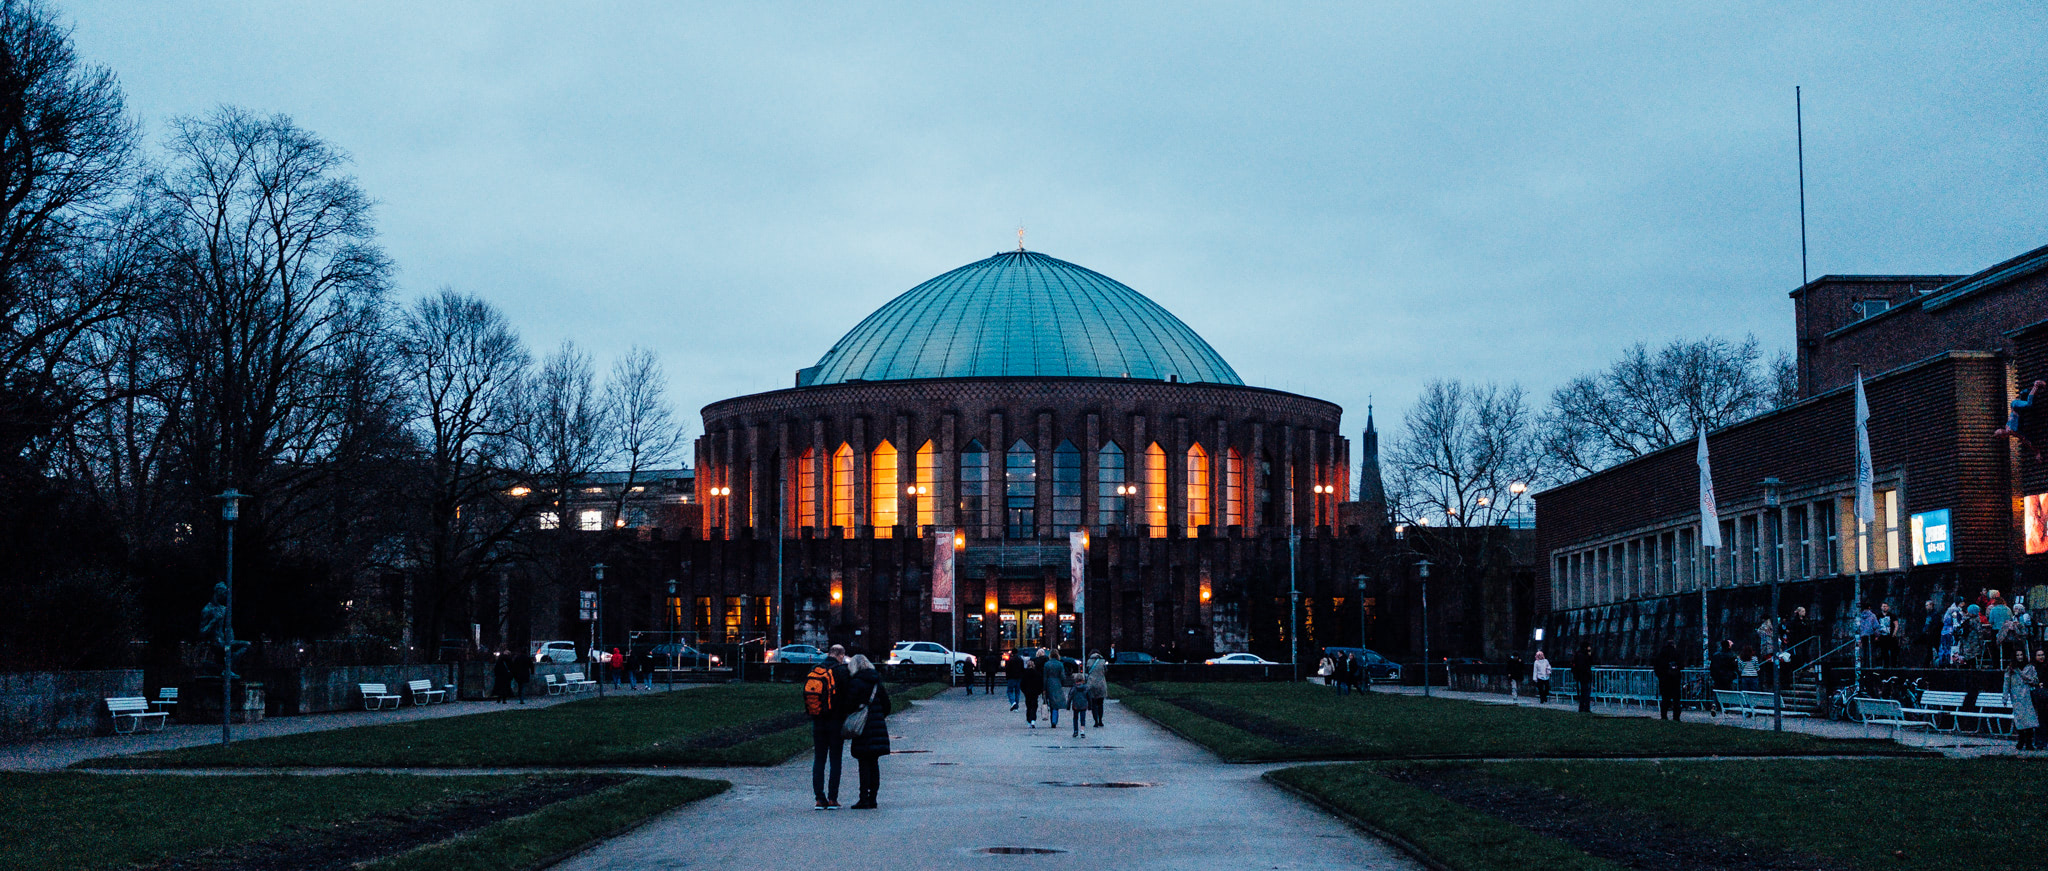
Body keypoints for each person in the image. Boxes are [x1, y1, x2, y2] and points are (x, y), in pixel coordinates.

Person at [844, 654, 892, 808]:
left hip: (863, 728)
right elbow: (887, 705)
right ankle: (873, 798)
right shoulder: (877, 681)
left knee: (863, 764)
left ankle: (863, 797)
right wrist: (878, 717)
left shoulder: (856, 682)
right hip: (877, 727)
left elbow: (849, 705)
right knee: (874, 763)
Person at [808, 644, 852, 809]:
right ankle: (833, 798)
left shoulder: (816, 669)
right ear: (841, 655)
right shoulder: (841, 671)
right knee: (835, 760)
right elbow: (847, 696)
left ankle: (819, 798)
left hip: (818, 720)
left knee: (819, 759)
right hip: (835, 721)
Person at [1992, 379, 2045, 461]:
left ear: (2003, 436)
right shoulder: (2009, 428)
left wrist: (2037, 452)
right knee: (2027, 404)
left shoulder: (2012, 431)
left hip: (2016, 406)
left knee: (2029, 404)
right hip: (2016, 406)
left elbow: (2026, 440)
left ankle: (2037, 384)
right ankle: (2027, 391)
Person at [2004, 652, 2039, 751]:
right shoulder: (2010, 669)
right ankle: (2021, 739)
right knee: (2019, 719)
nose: (2019, 657)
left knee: (2029, 720)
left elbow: (2035, 680)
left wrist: (2027, 678)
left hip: (2027, 696)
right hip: (2016, 697)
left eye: (2021, 655)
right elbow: (2006, 683)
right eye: (2017, 655)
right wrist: (2005, 697)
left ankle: (2029, 742)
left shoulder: (2030, 667)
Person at [1653, 641, 1683, 722]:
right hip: (1675, 679)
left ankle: (1664, 716)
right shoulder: (1676, 654)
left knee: (1665, 698)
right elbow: (1682, 665)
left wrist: (1661, 676)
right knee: (1676, 699)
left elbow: (1656, 667)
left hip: (1664, 680)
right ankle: (1676, 717)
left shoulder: (1661, 654)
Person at [1042, 651, 1068, 730]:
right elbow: (1063, 676)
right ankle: (1054, 721)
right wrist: (1062, 683)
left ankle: (1052, 720)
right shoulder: (1060, 664)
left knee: (1050, 702)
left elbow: (1045, 677)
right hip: (1057, 684)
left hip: (1049, 683)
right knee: (1056, 704)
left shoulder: (1046, 664)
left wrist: (1044, 688)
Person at [1020, 651, 1045, 727]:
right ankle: (1033, 720)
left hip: (1027, 692)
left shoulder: (1024, 673)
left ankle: (1028, 721)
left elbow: (1022, 684)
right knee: (1034, 706)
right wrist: (1039, 691)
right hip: (1035, 692)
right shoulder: (1037, 674)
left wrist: (1024, 691)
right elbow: (1040, 683)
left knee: (1028, 706)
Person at [1085, 650, 1108, 728]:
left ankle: (1096, 721)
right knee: (1100, 703)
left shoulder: (1089, 661)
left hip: (1092, 684)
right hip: (1101, 684)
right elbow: (1106, 671)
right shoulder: (1103, 661)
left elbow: (1087, 671)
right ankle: (1101, 720)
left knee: (1094, 703)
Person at [1068, 665, 1090, 738]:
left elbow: (1070, 696)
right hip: (1083, 705)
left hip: (1075, 705)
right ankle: (1082, 731)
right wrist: (1090, 705)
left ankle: (1075, 731)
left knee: (1075, 718)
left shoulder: (1074, 688)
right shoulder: (1086, 688)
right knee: (1083, 718)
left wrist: (1068, 705)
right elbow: (1089, 697)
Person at [1572, 643, 1595, 713]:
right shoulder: (1584, 655)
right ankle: (1586, 707)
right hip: (1585, 675)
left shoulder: (1578, 654)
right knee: (1586, 692)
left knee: (1583, 692)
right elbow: (1590, 663)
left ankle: (1582, 707)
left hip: (1581, 676)